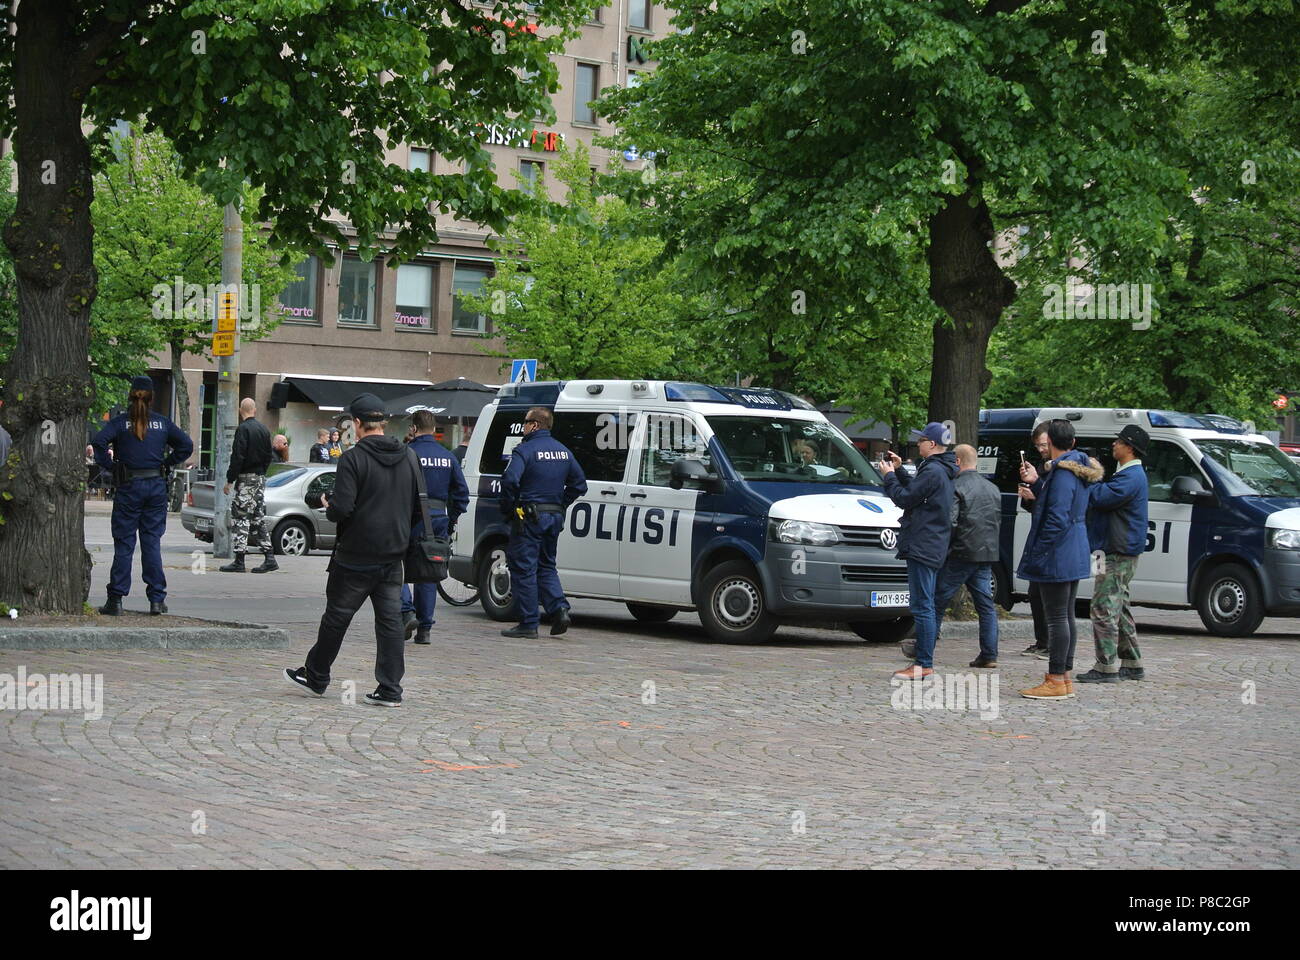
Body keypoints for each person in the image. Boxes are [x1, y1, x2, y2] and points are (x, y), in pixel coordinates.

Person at [285, 393, 424, 706]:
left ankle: (316, 675)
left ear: (357, 424)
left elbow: (342, 509)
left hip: (356, 555)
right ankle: (390, 689)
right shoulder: (409, 456)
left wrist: (328, 505)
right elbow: (418, 506)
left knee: (337, 618)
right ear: (383, 423)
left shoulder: (352, 458)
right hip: (393, 555)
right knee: (390, 622)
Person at [90, 376, 194, 615]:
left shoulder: (119, 423)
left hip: (129, 486)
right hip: (155, 486)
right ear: (151, 397)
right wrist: (166, 464)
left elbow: (98, 442)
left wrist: (111, 466)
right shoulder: (162, 423)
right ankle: (156, 599)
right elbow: (186, 445)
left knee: (124, 544)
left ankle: (115, 599)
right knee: (151, 543)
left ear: (131, 395)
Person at [1016, 419, 1103, 700]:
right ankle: (1063, 677)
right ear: (1073, 443)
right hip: (1072, 547)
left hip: (1059, 551)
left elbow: (1057, 516)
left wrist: (1039, 550)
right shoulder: (1074, 468)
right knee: (1065, 615)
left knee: (1056, 618)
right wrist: (1039, 486)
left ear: (1051, 442)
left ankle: (1055, 677)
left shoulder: (1063, 473)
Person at [880, 422, 959, 681]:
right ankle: (923, 662)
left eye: (922, 439)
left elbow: (903, 498)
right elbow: (915, 492)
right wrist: (901, 470)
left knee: (922, 606)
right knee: (926, 604)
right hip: (933, 543)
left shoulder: (934, 471)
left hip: (924, 543)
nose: (918, 443)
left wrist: (889, 476)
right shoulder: (941, 470)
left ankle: (923, 663)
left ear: (932, 444)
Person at [499, 407, 587, 639]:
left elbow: (509, 480)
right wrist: (560, 504)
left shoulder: (525, 451)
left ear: (535, 425)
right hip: (553, 517)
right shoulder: (564, 452)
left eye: (526, 422)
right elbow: (580, 484)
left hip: (529, 517)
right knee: (547, 565)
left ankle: (528, 623)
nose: (524, 426)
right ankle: (559, 609)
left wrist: (509, 507)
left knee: (524, 568)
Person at [1077, 424, 1150, 684]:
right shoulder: (1127, 475)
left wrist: (1087, 475)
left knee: (1102, 607)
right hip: (1111, 549)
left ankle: (1105, 666)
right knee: (1119, 607)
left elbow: (1100, 497)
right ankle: (1132, 663)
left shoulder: (1130, 477)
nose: (1114, 445)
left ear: (1129, 447)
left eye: (1118, 442)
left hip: (1116, 552)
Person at [399, 410, 470, 644]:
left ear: (414, 428)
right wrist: (451, 520)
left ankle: (406, 612)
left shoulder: (408, 453)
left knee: (393, 568)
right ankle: (425, 629)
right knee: (427, 574)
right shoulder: (447, 456)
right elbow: (461, 494)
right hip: (438, 519)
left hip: (410, 518)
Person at [933, 443, 1003, 668]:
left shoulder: (955, 487)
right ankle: (989, 654)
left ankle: (924, 648)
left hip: (961, 554)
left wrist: (945, 550)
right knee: (985, 605)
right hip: (985, 553)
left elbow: (951, 523)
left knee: (937, 602)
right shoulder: (993, 488)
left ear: (957, 462)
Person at [220, 398, 277, 574]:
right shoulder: (264, 429)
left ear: (240, 410)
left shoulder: (243, 429)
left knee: (241, 516)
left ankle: (239, 559)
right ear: (255, 409)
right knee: (257, 517)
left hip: (246, 479)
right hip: (260, 478)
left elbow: (238, 456)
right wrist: (261, 472)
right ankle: (269, 557)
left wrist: (230, 480)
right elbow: (269, 455)